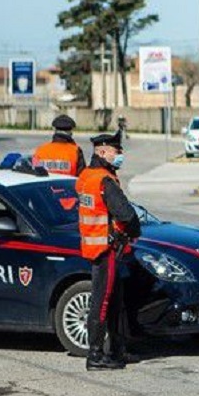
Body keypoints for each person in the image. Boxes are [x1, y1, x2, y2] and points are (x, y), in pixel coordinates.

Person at [76, 131, 141, 370]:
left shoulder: (86, 176)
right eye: (116, 151)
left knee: (113, 300)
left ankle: (115, 350)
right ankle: (95, 355)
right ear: (102, 152)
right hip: (106, 249)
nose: (120, 154)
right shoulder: (104, 180)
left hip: (96, 246)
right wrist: (134, 230)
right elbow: (126, 214)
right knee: (103, 302)